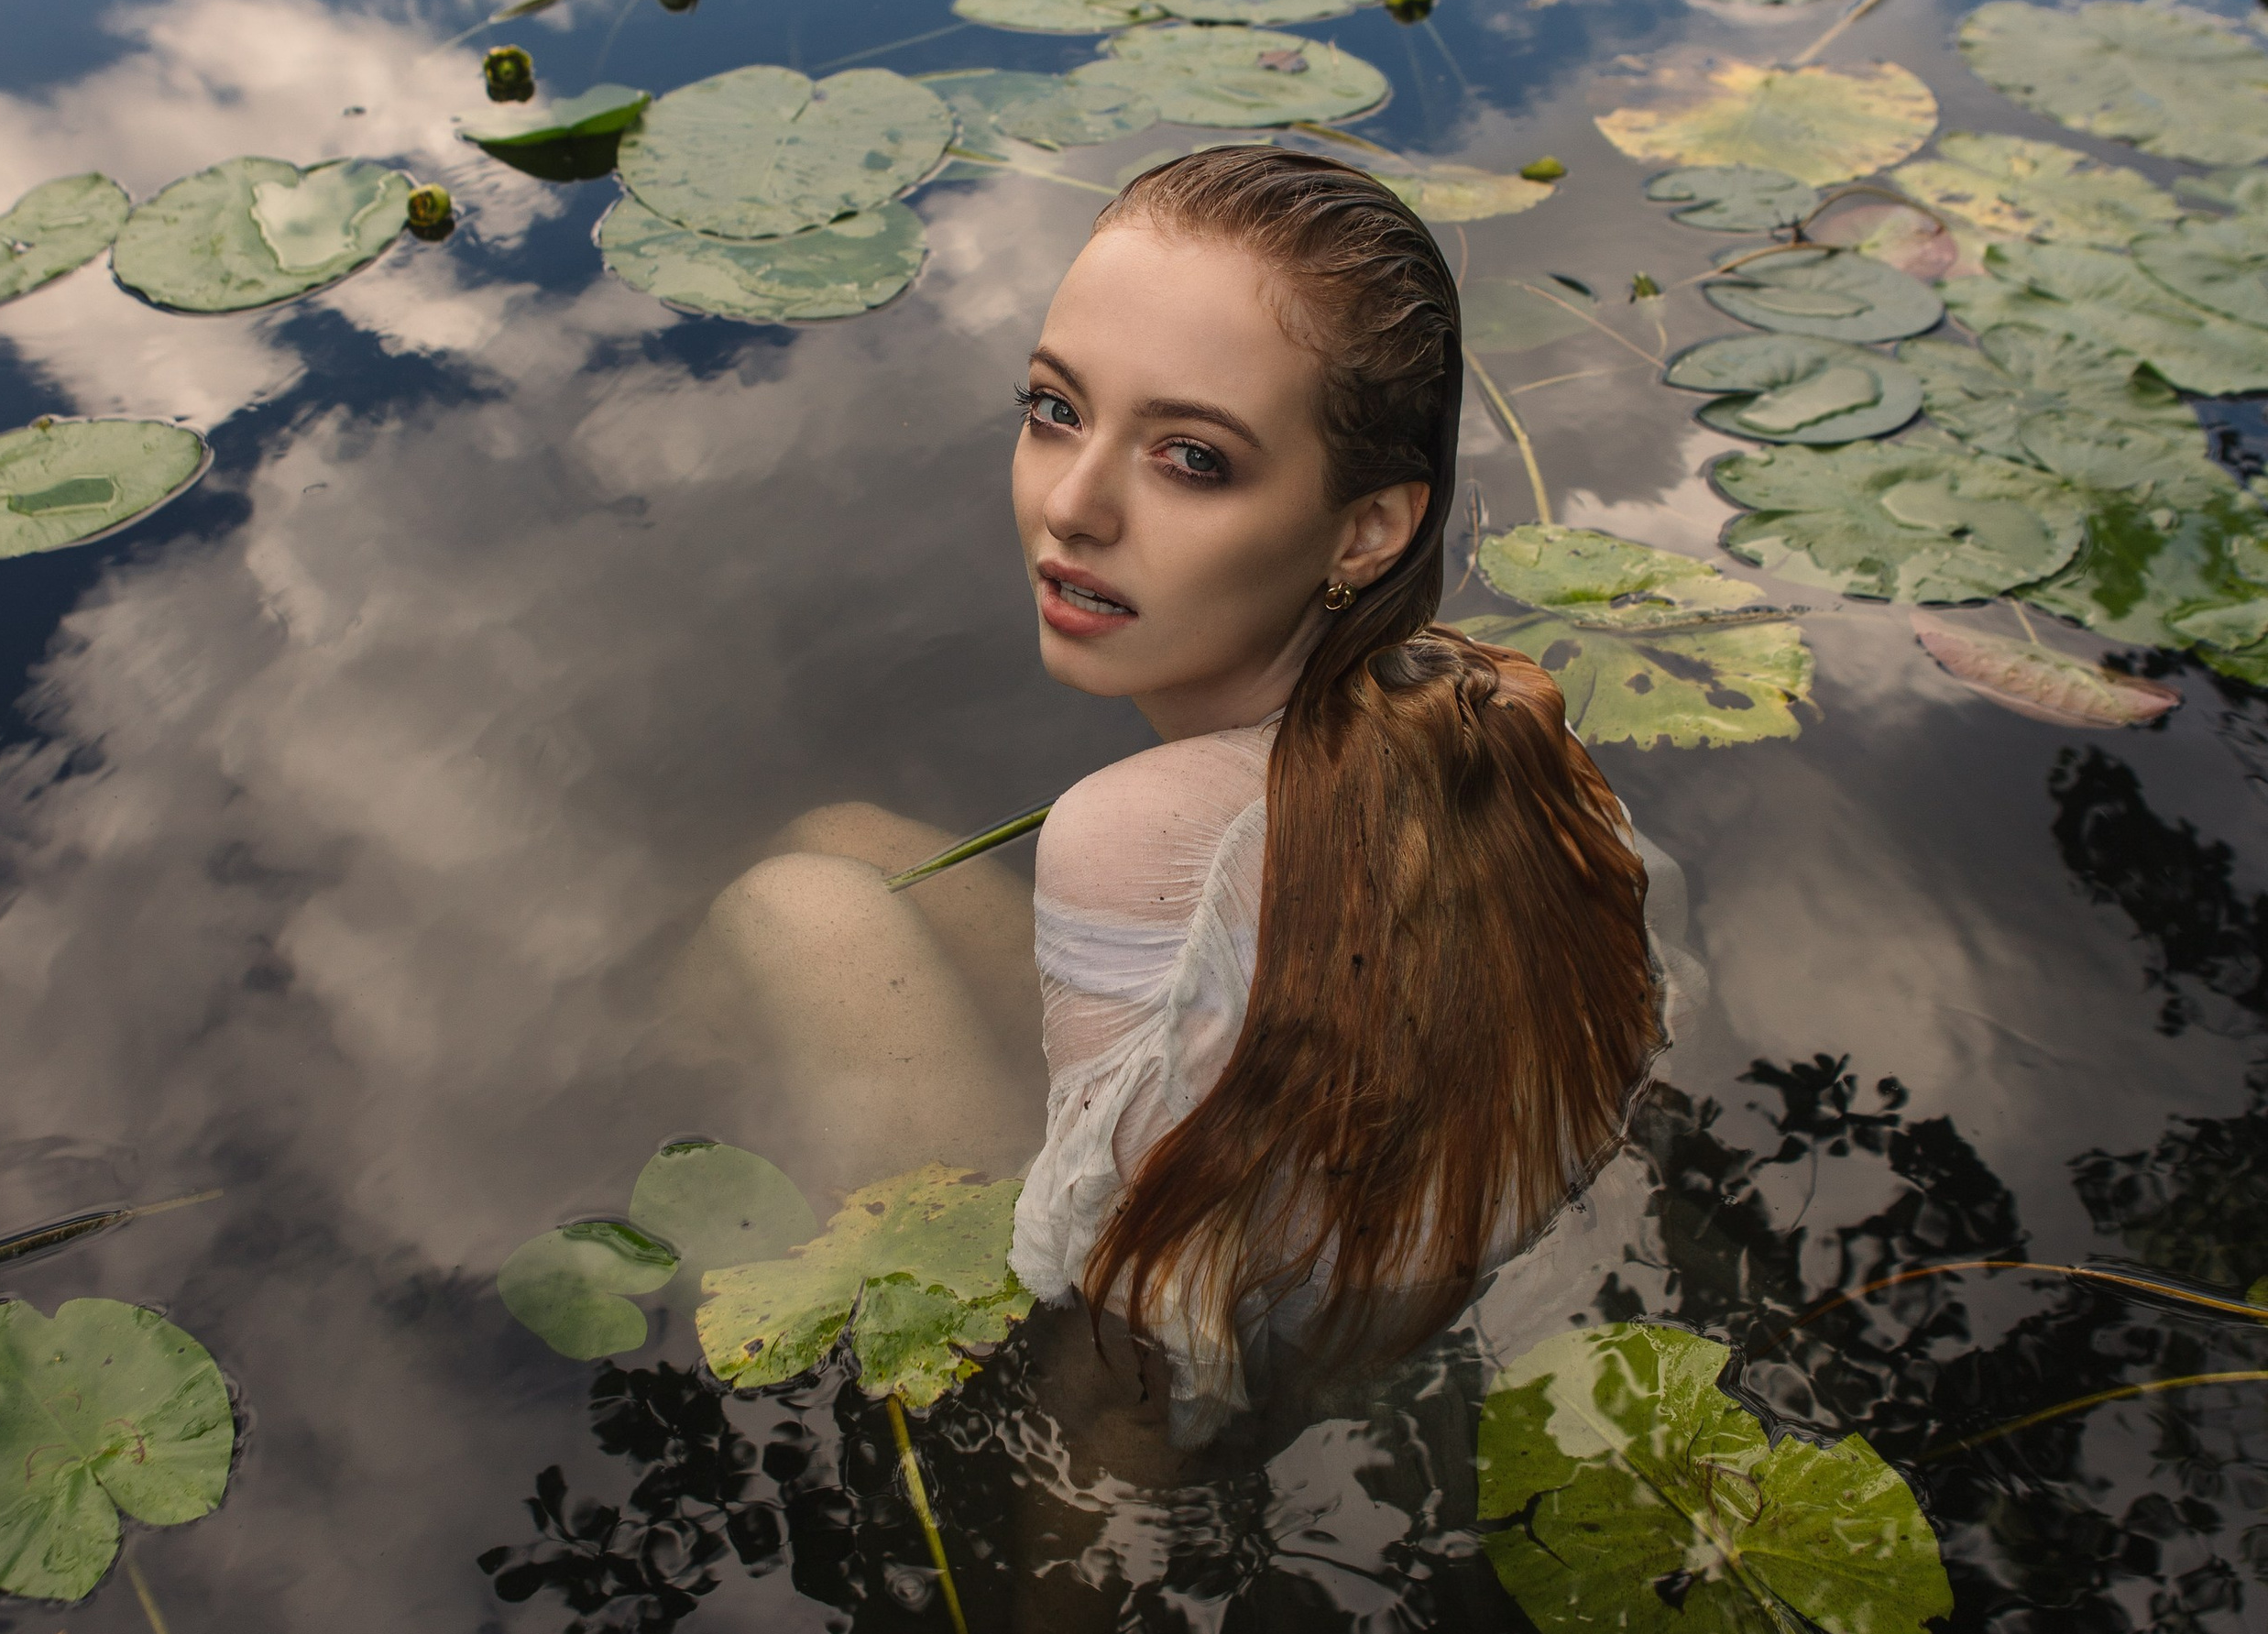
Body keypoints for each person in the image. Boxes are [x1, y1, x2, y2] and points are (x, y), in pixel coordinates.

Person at [707, 145, 1666, 1434]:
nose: (1074, 507)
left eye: (1193, 459)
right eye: (1055, 408)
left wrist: (1053, 1547)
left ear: (1368, 529)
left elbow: (1141, 1344)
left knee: (794, 907)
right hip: (1404, 1253)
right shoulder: (1484, 697)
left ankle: (634, 1120)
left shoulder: (1140, 829)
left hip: (1254, 1356)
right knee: (849, 841)